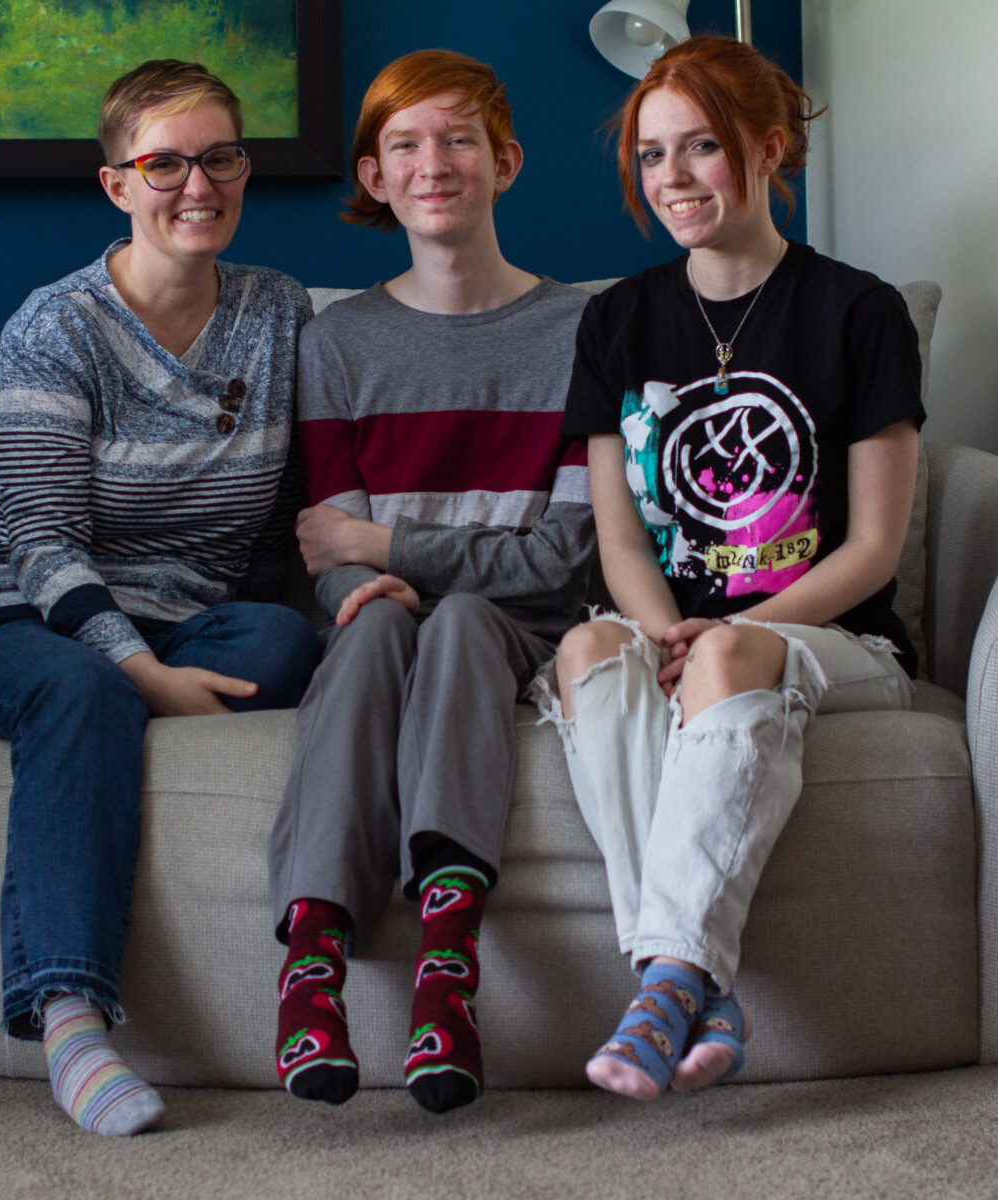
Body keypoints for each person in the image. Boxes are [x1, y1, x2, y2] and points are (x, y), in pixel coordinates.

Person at [0, 59, 321, 1136]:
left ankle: (117, 704)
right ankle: (71, 1022)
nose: (198, 184)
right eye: (164, 163)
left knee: (286, 645)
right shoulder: (55, 328)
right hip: (16, 623)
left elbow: (304, 504)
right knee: (86, 694)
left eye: (221, 156)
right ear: (117, 184)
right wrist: (143, 675)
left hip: (191, 617)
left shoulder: (282, 314)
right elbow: (44, 540)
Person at [536, 35, 925, 1101]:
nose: (672, 179)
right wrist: (669, 630)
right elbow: (620, 539)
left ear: (769, 147)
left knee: (730, 660)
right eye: (652, 157)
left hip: (835, 638)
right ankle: (690, 987)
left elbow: (875, 549)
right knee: (584, 650)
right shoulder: (616, 319)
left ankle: (670, 983)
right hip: (677, 632)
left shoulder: (859, 311)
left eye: (700, 148)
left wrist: (729, 639)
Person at [265, 49, 595, 1115]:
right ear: (373, 177)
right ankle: (310, 971)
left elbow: (564, 558)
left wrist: (394, 552)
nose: (433, 163)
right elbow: (326, 548)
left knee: (455, 620)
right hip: (383, 625)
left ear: (506, 161)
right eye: (404, 143)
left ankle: (447, 970)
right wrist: (359, 584)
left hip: (522, 629)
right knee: (365, 631)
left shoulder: (584, 332)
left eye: (459, 139)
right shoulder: (339, 342)